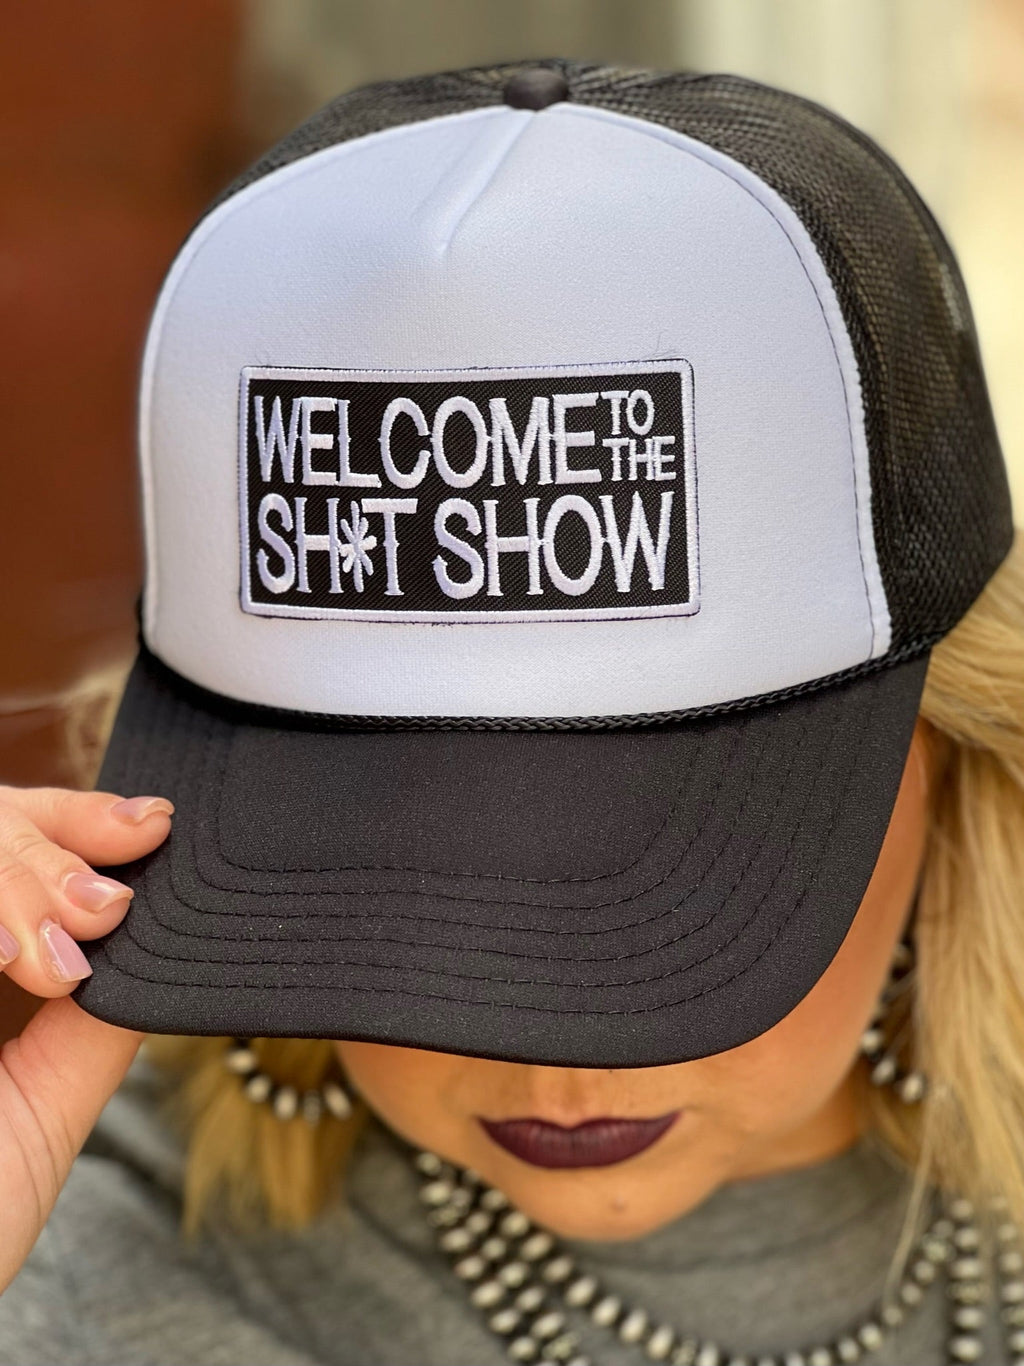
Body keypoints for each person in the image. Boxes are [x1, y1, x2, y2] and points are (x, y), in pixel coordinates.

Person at [0, 59, 1022, 1366]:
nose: (557, 1071)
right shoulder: (85, 1261)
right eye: (408, 876)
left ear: (966, 746)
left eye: (681, 881)